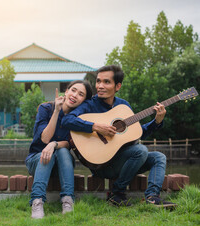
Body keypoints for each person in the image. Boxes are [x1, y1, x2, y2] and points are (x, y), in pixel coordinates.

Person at [61, 65, 176, 208]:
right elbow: (67, 120)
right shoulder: (89, 105)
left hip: (125, 161)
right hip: (101, 164)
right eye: (98, 81)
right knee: (140, 151)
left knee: (159, 157)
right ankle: (116, 194)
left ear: (118, 86)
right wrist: (95, 126)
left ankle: (152, 198)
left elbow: (136, 133)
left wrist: (157, 121)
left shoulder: (123, 106)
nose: (100, 86)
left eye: (106, 82)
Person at [26, 80, 93, 219]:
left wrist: (54, 144)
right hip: (37, 160)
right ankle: (37, 202)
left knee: (62, 151)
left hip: (62, 165)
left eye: (81, 94)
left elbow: (68, 144)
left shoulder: (78, 119)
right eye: (73, 90)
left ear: (84, 101)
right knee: (48, 154)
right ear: (66, 91)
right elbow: (44, 139)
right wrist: (56, 111)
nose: (75, 95)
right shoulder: (46, 108)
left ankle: (68, 201)